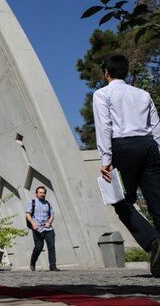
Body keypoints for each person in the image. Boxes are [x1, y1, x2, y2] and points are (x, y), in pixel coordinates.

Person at [92, 54, 160, 277]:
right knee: (156, 200)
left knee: (120, 200)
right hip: (149, 145)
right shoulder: (143, 94)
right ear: (126, 72)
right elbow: (156, 126)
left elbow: (104, 127)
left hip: (122, 147)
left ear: (106, 73)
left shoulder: (102, 94)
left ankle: (152, 241)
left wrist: (106, 160)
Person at [25, 186, 57, 271]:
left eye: (43, 193)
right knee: (39, 247)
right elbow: (28, 214)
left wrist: (49, 222)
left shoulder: (48, 203)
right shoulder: (32, 202)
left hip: (48, 229)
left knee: (51, 247)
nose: (42, 194)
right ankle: (33, 261)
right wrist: (33, 223)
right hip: (37, 229)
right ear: (36, 194)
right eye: (40, 192)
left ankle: (52, 266)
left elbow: (52, 215)